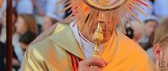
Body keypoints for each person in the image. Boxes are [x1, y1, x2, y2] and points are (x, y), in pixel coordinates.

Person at [21, 15, 156, 70]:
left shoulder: (136, 56)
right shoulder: (41, 54)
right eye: (95, 9)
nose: (103, 20)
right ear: (76, 7)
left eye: (111, 10)